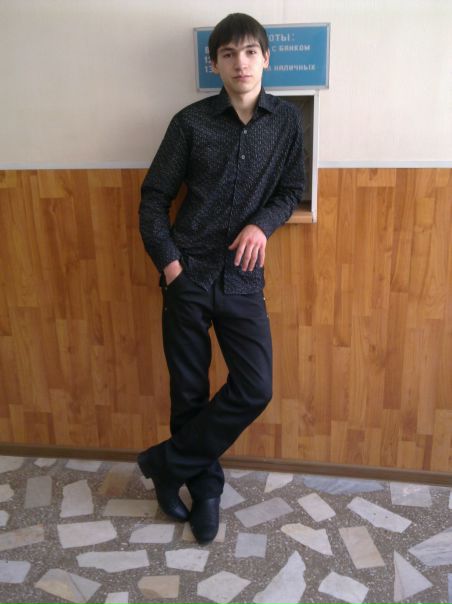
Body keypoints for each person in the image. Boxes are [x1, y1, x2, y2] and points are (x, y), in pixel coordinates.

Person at [137, 12, 305, 544]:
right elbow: (153, 199)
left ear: (266, 58)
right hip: (187, 274)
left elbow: (290, 190)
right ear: (214, 64)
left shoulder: (286, 122)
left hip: (243, 278)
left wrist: (262, 224)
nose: (241, 63)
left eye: (250, 52)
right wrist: (171, 266)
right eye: (228, 54)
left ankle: (167, 464)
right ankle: (205, 490)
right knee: (188, 391)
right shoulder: (190, 123)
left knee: (255, 387)